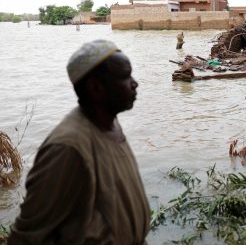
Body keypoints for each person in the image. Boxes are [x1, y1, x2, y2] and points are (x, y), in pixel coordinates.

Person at [8, 40, 150, 244]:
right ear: (96, 88)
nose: (135, 83)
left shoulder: (110, 123)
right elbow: (27, 237)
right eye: (124, 76)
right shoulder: (68, 148)